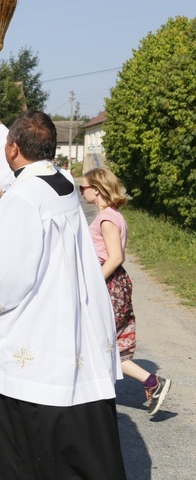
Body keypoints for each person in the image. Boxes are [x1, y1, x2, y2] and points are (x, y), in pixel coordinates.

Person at [0, 88, 125, 479]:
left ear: (13, 148)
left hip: (32, 328)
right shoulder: (64, 182)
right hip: (71, 320)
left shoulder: (20, 201)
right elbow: (18, 172)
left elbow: (3, 277)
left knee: (22, 441)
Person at [82, 167, 172, 416]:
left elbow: (115, 257)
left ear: (97, 190)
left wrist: (93, 283)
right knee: (106, 342)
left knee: (99, 340)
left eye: (84, 188)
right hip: (113, 281)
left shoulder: (107, 218)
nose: (82, 192)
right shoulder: (113, 215)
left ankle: (148, 384)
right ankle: (149, 384)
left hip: (108, 282)